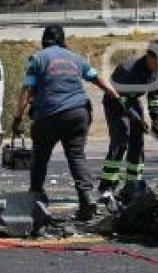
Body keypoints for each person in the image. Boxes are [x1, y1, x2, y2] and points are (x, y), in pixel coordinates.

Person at [11, 25, 120, 221]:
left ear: (44, 40)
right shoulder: (75, 58)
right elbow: (96, 78)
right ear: (63, 39)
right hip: (77, 114)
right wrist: (114, 95)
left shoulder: (38, 59)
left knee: (40, 157)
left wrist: (17, 118)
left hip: (48, 116)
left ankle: (36, 197)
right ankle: (86, 196)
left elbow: (26, 90)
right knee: (76, 155)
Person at [98, 40, 158, 204]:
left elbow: (155, 99)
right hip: (115, 103)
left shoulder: (157, 73)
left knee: (137, 142)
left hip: (132, 101)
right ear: (149, 57)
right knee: (121, 140)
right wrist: (137, 120)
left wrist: (156, 121)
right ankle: (107, 187)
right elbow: (121, 101)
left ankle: (132, 183)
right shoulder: (127, 69)